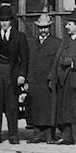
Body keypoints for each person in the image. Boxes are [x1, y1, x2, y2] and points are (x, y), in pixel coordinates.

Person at [0, 5, 29, 145]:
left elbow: (24, 58)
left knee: (12, 106)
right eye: (2, 20)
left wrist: (22, 75)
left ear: (11, 21)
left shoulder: (20, 36)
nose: (4, 23)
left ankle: (13, 135)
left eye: (7, 20)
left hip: (12, 72)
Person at [49, 9, 76, 145]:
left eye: (70, 24)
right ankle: (66, 136)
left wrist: (72, 62)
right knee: (65, 108)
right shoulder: (65, 42)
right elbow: (57, 60)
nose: (66, 26)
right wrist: (52, 78)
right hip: (64, 80)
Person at [26, 13, 60, 144]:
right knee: (36, 107)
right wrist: (28, 80)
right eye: (41, 28)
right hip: (35, 81)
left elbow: (57, 63)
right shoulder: (32, 43)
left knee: (49, 108)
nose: (43, 30)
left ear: (50, 28)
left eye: (46, 27)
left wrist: (53, 79)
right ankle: (37, 134)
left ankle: (49, 135)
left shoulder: (56, 43)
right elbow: (29, 62)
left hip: (48, 81)